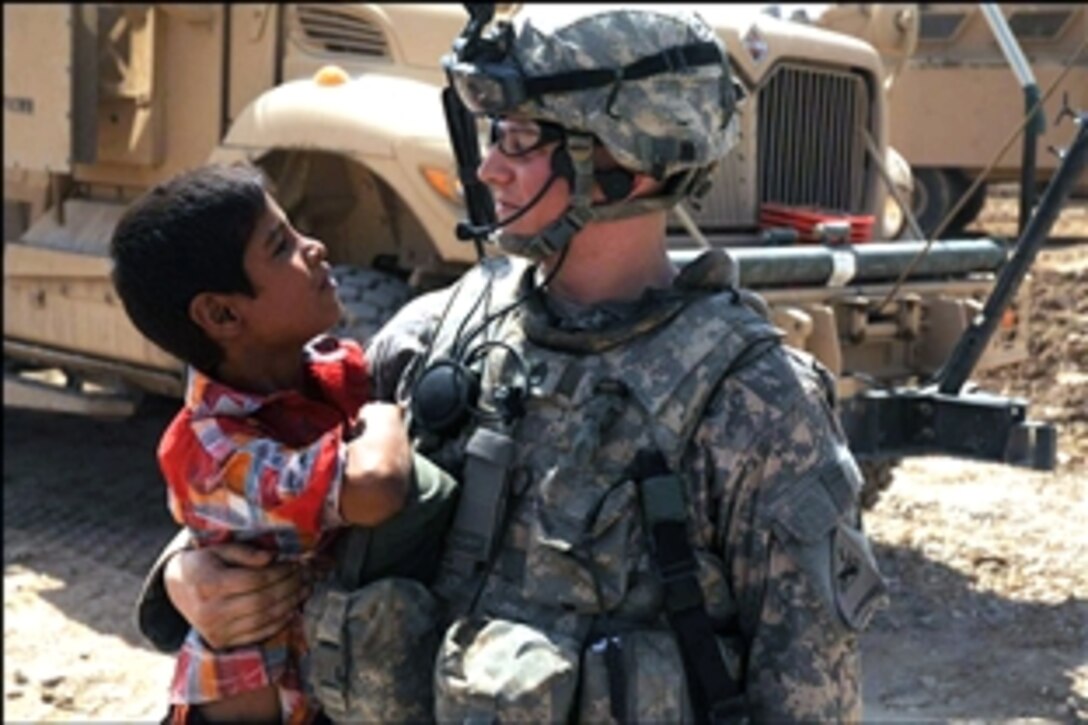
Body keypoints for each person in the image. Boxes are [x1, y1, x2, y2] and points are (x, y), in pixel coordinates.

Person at [136, 6, 888, 722]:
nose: (491, 168)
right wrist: (185, 578)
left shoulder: (755, 403)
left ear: (627, 162)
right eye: (492, 133)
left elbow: (810, 694)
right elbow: (256, 475)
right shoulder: (436, 335)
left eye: (521, 140)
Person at [111, 164, 455, 724]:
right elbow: (373, 487)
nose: (315, 248)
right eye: (282, 246)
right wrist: (381, 414)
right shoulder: (210, 452)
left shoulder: (324, 371)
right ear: (221, 314)